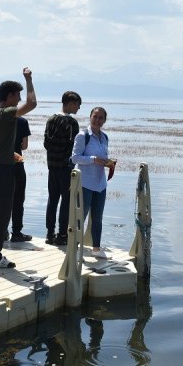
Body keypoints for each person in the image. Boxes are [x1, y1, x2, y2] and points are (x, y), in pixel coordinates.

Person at [0, 68, 37, 269]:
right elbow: (32, 103)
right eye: (18, 95)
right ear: (11, 95)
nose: (20, 99)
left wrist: (5, 152)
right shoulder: (6, 113)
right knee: (2, 214)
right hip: (2, 170)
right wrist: (29, 79)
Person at [71, 106, 114, 260]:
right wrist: (93, 160)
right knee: (80, 217)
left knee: (97, 218)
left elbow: (102, 158)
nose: (97, 120)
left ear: (104, 120)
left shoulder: (105, 137)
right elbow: (75, 158)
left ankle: (96, 249)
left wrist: (108, 163)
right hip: (85, 183)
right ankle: (75, 250)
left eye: (101, 117)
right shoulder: (83, 135)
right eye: (95, 116)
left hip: (100, 184)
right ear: (90, 117)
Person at [43, 91, 82, 245]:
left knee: (52, 200)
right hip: (65, 167)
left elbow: (46, 143)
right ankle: (62, 235)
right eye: (77, 104)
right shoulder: (72, 123)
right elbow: (73, 148)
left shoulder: (51, 119)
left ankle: (49, 234)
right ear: (70, 103)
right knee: (66, 201)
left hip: (52, 166)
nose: (78, 107)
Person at [7, 115, 32, 242]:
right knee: (18, 199)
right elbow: (24, 146)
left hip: (0, 164)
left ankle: (2, 231)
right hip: (17, 163)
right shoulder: (22, 121)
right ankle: (16, 232)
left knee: (1, 199)